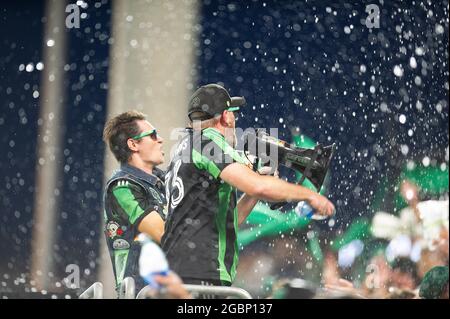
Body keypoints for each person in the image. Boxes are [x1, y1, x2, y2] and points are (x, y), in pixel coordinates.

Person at [161, 84, 335, 294]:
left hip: (189, 270)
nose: (236, 121)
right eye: (234, 115)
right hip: (200, 271)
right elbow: (260, 186)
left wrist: (253, 191)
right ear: (226, 117)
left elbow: (232, 219)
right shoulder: (207, 142)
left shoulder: (187, 147)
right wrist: (309, 195)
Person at [102, 110, 167, 293]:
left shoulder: (164, 182)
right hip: (142, 292)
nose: (160, 139)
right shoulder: (122, 187)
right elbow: (165, 234)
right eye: (153, 135)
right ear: (133, 144)